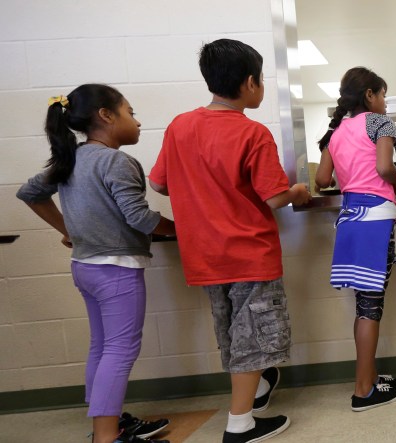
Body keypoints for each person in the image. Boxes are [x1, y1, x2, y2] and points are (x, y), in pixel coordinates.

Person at [148, 39, 310, 443]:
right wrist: (299, 191)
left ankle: (254, 393)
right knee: (253, 338)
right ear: (251, 82)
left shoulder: (179, 126)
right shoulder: (252, 133)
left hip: (203, 256)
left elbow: (159, 183)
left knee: (232, 333)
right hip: (248, 254)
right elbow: (274, 198)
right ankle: (240, 426)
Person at [16, 84, 175, 443]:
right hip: (116, 269)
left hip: (85, 267)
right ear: (106, 115)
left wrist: (69, 230)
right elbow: (138, 216)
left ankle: (109, 422)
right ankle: (107, 436)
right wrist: (180, 230)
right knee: (120, 350)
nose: (137, 121)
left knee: (102, 346)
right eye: (130, 113)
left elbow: (29, 193)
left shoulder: (71, 158)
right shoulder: (116, 160)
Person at [315, 66, 396, 412]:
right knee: (371, 308)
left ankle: (368, 376)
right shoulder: (379, 123)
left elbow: (322, 180)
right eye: (382, 94)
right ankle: (363, 390)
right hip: (376, 222)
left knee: (364, 306)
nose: (384, 101)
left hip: (350, 221)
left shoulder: (336, 131)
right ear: (369, 94)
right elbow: (386, 169)